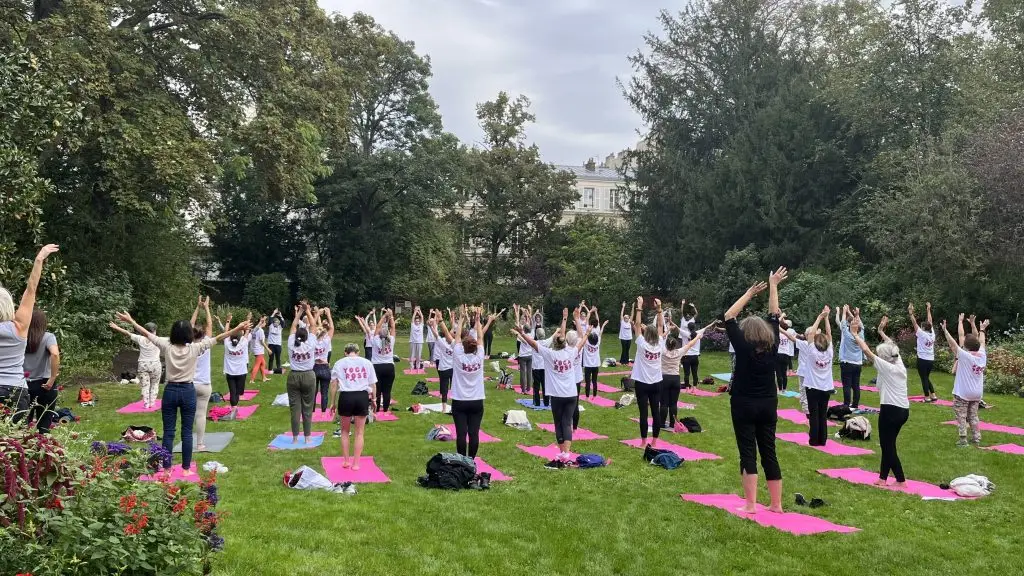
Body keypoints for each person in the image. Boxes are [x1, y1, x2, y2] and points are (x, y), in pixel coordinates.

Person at [115, 310, 249, 473]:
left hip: (170, 391)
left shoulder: (166, 346)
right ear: (188, 334)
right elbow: (219, 337)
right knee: (186, 431)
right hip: (187, 391)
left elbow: (145, 333)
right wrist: (237, 328)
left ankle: (167, 469)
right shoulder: (195, 348)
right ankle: (186, 469)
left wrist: (131, 321)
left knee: (169, 432)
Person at [723, 267, 788, 514]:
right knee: (769, 451)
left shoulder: (742, 346)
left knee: (747, 451)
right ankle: (776, 504)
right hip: (768, 404)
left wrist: (750, 294)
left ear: (746, 333)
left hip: (743, 404)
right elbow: (773, 313)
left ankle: (750, 505)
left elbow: (729, 316)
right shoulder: (773, 345)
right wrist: (773, 285)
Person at [514, 308, 590, 465]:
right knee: (567, 422)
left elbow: (533, 343)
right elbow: (581, 342)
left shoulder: (549, 354)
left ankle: (563, 452)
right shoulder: (570, 352)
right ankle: (566, 453)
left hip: (557, 395)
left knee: (558, 423)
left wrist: (522, 333)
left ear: (554, 344)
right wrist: (586, 332)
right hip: (570, 394)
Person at [0, 245, 59, 421]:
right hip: (15, 391)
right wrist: (39, 259)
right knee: (13, 443)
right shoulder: (19, 327)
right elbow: (30, 290)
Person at [853, 316, 909, 486]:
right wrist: (880, 331)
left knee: (887, 446)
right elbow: (892, 345)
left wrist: (855, 334)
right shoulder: (897, 361)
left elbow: (867, 352)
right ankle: (882, 478)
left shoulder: (888, 368)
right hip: (902, 411)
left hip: (890, 411)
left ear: (883, 358)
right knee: (888, 444)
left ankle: (900, 480)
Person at [450, 306, 496, 459]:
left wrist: (462, 319)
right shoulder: (479, 357)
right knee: (474, 433)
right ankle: (471, 460)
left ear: (463, 347)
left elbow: (456, 337)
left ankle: (463, 460)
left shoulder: (458, 356)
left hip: (460, 400)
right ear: (475, 347)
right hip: (476, 400)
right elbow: (481, 337)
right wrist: (478, 321)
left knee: (461, 433)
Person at [327, 343, 377, 470]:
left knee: (344, 431)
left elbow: (333, 384)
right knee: (359, 432)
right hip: (361, 396)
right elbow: (373, 384)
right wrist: (374, 399)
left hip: (346, 397)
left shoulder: (339, 363)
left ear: (345, 352)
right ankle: (356, 463)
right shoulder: (366, 362)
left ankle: (346, 461)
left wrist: (332, 402)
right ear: (358, 352)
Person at [942, 314, 988, 447]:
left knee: (961, 416)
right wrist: (982, 329)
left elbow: (953, 344)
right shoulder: (982, 354)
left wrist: (945, 331)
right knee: (973, 415)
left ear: (966, 347)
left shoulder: (965, 355)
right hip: (977, 393)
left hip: (963, 393)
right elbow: (983, 341)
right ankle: (976, 437)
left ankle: (963, 440)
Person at [792, 307, 833, 446]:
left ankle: (814, 440)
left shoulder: (812, 352)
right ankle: (823, 440)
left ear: (815, 343)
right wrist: (827, 317)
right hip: (826, 388)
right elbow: (829, 333)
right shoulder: (830, 352)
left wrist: (820, 317)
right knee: (822, 414)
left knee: (814, 414)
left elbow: (810, 335)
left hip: (812, 387)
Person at [630, 296, 666, 446]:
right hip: (656, 383)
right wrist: (659, 310)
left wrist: (639, 307)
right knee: (656, 412)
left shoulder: (642, 344)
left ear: (646, 335)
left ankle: (644, 442)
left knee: (643, 414)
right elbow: (660, 326)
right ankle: (655, 441)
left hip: (642, 384)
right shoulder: (660, 344)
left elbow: (637, 324)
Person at [109, 315, 164, 409]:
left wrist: (117, 327)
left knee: (145, 385)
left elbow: (127, 333)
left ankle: (146, 404)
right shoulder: (158, 340)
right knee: (154, 384)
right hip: (155, 365)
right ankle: (152, 403)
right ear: (154, 331)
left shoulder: (140, 338)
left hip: (143, 365)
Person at [285, 303, 317, 444]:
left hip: (293, 376)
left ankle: (295, 438)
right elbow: (314, 326)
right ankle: (308, 437)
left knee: (295, 408)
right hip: (308, 376)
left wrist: (299, 313)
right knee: (308, 407)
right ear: (307, 337)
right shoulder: (310, 344)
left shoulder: (292, 343)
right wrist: (308, 311)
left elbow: (293, 327)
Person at [24, 310, 60, 433]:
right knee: (44, 427)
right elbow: (54, 354)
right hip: (45, 385)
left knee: (21, 426)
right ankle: (42, 450)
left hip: (22, 384)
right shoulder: (48, 337)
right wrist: (52, 378)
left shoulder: (21, 337)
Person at [358, 308, 396, 414]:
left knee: (378, 390)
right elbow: (393, 327)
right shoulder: (391, 340)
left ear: (379, 334)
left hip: (377, 367)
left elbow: (378, 327)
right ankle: (385, 410)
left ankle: (377, 409)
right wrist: (391, 315)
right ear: (387, 334)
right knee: (387, 390)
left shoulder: (374, 340)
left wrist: (384, 316)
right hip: (389, 367)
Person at [190, 297, 214, 451]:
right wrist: (206, 307)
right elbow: (210, 325)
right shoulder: (206, 343)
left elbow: (190, 325)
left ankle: (187, 441)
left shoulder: (188, 344)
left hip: (190, 384)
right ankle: (199, 444)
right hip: (204, 384)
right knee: (201, 414)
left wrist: (197, 308)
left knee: (189, 415)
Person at [221, 313, 252, 421]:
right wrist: (248, 320)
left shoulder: (227, 343)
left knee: (233, 391)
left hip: (230, 373)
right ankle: (234, 408)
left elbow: (225, 333)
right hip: (241, 372)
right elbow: (247, 332)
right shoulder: (243, 342)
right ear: (240, 337)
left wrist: (228, 321)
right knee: (238, 392)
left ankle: (234, 407)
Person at [908, 302, 938, 402]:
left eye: (922, 326)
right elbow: (930, 321)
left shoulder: (921, 334)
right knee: (926, 377)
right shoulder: (932, 334)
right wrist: (928, 309)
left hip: (922, 359)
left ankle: (927, 397)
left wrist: (911, 313)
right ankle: (933, 395)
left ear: (924, 328)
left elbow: (914, 323)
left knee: (924, 378)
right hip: (930, 359)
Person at [837, 305, 865, 409]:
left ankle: (846, 404)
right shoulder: (861, 335)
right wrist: (856, 314)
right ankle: (855, 404)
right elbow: (861, 325)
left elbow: (843, 324)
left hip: (847, 363)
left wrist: (844, 312)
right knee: (856, 386)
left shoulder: (848, 335)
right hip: (858, 363)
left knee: (847, 385)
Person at [427, 310, 455, 412]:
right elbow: (448, 332)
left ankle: (444, 408)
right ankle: (453, 407)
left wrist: (431, 327)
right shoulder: (456, 346)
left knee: (444, 388)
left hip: (444, 369)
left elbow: (436, 335)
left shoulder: (443, 344)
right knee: (454, 388)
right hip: (452, 369)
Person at [313, 308, 336, 412]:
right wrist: (329, 314)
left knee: (313, 391)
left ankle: (312, 410)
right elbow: (331, 328)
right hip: (324, 367)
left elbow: (312, 326)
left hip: (314, 367)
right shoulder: (326, 341)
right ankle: (323, 411)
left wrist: (317, 314)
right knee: (324, 391)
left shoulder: (312, 341)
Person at [582, 308, 608, 398]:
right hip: (595, 364)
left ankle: (587, 396)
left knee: (588, 381)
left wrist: (589, 312)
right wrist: (604, 325)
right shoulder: (598, 341)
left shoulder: (586, 342)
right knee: (594, 381)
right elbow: (600, 333)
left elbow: (585, 323)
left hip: (588, 365)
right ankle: (595, 396)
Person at [513, 304, 534, 394]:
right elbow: (531, 322)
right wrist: (527, 312)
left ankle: (523, 390)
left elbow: (520, 335)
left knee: (523, 372)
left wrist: (516, 333)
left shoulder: (523, 334)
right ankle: (529, 388)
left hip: (523, 356)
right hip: (530, 355)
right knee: (529, 372)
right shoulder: (532, 333)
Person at [531, 327, 550, 407]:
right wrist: (557, 331)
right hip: (544, 367)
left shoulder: (534, 343)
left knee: (536, 386)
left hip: (536, 367)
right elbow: (553, 337)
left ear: (536, 335)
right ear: (544, 334)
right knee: (545, 386)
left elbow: (525, 339)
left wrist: (519, 334)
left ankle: (537, 402)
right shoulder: (547, 342)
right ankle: (546, 402)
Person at [776, 315, 796, 391]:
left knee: (778, 373)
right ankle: (784, 389)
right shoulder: (788, 334)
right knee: (784, 373)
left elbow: (775, 323)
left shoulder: (777, 334)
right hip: (786, 355)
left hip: (778, 354)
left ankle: (780, 389)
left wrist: (782, 316)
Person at [249, 316, 270, 385]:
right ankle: (251, 380)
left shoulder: (254, 330)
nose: (265, 324)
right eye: (265, 322)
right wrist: (268, 349)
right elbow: (262, 342)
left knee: (263, 364)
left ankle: (264, 378)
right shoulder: (260, 331)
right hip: (259, 350)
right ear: (261, 323)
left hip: (255, 349)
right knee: (257, 365)